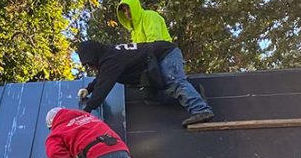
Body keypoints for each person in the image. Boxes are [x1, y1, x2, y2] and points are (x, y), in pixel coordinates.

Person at [76, 39, 214, 127]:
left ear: (94, 56)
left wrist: (86, 111)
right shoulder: (109, 56)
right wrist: (88, 89)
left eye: (90, 64)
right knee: (153, 98)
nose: (91, 67)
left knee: (173, 82)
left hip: (164, 54)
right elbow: (102, 78)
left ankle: (201, 110)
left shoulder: (111, 59)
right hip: (154, 62)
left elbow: (103, 87)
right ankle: (195, 92)